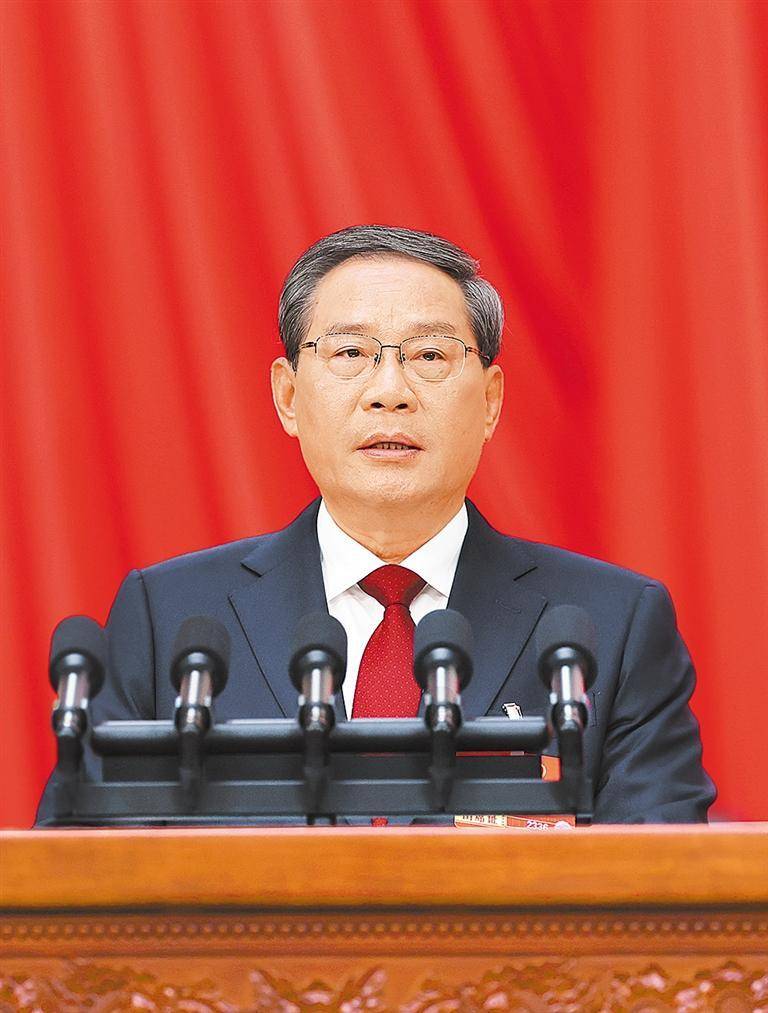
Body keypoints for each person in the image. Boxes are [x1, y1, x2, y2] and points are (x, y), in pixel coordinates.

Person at [38, 225, 715, 823]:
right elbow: (80, 881)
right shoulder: (171, 623)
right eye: (350, 353)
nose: (389, 391)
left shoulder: (612, 628)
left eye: (429, 356)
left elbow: (663, 897)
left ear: (490, 401)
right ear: (288, 396)